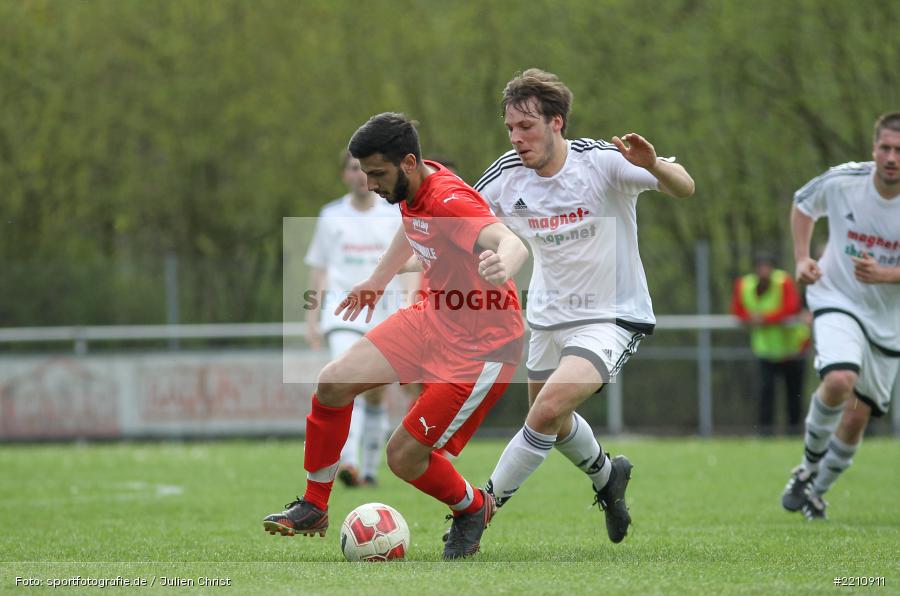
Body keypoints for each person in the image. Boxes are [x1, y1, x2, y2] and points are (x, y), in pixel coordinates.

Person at [264, 112, 529, 560]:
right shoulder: (412, 190)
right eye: (365, 174)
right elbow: (413, 233)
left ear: (408, 162)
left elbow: (510, 240)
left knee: (403, 458)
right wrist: (377, 279)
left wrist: (505, 261)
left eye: (377, 174)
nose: (369, 184)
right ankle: (315, 504)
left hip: (481, 345)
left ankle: (473, 508)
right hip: (434, 318)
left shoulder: (450, 200)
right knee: (332, 383)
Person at [473, 68, 695, 544]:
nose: (516, 138)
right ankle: (606, 477)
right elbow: (457, 218)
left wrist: (655, 165)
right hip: (549, 316)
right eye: (510, 128)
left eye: (526, 126)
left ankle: (481, 510)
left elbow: (685, 186)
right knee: (549, 419)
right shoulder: (505, 175)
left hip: (611, 315)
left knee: (546, 409)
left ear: (557, 123)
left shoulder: (603, 161)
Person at [781, 111, 900, 520]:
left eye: (899, 151)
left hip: (888, 320)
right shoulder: (843, 181)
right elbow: (802, 205)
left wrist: (887, 274)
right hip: (837, 297)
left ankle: (817, 491)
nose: (891, 157)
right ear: (874, 148)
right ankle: (807, 467)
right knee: (839, 379)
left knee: (856, 417)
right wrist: (801, 258)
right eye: (885, 147)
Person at [305, 152, 415, 487]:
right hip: (341, 312)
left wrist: (409, 301)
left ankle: (367, 471)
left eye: (365, 169)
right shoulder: (331, 216)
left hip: (383, 312)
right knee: (343, 379)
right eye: (353, 169)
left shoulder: (393, 213)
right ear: (345, 176)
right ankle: (347, 462)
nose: (360, 175)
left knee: (376, 394)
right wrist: (311, 316)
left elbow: (409, 259)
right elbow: (320, 269)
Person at [730, 253, 811, 435]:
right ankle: (765, 432)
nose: (763, 271)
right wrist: (750, 319)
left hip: (792, 348)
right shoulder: (745, 284)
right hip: (766, 350)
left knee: (794, 394)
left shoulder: (783, 281)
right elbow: (737, 310)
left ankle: (794, 431)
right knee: (765, 393)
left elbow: (791, 308)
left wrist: (764, 319)